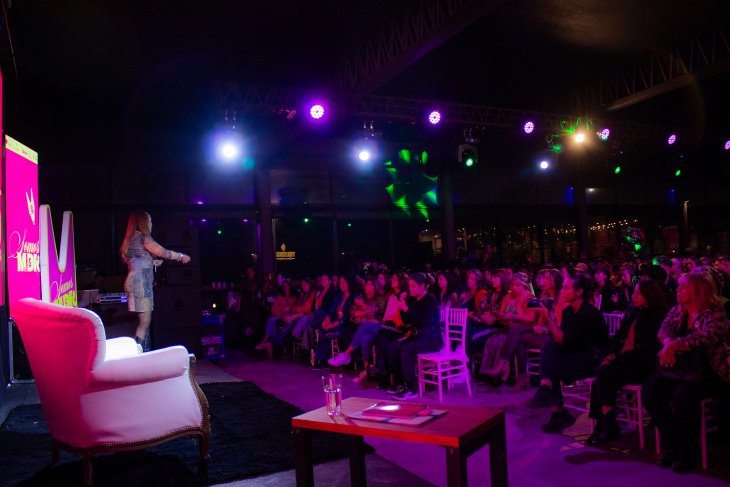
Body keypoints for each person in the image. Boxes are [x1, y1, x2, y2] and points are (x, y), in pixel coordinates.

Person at [641, 272, 730, 472]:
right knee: (650, 390)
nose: (678, 290)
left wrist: (676, 345)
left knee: (683, 397)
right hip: (681, 368)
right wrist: (669, 345)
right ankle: (672, 444)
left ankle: (687, 452)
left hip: (710, 372)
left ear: (698, 290)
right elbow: (664, 330)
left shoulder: (715, 313)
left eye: (683, 287)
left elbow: (707, 337)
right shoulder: (678, 309)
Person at [586, 279, 669, 446]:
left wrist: (618, 359)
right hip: (624, 361)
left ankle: (605, 424)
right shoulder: (634, 312)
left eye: (638, 293)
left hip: (642, 364)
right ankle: (607, 423)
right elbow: (619, 337)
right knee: (599, 379)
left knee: (602, 375)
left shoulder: (657, 316)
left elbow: (648, 349)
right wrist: (611, 354)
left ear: (649, 295)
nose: (633, 296)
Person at [527, 273, 608, 434]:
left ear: (579, 292)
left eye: (566, 288)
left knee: (551, 363)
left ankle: (557, 410)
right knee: (549, 347)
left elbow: (565, 341)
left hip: (592, 360)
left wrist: (548, 318)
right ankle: (549, 395)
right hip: (575, 353)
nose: (562, 291)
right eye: (562, 288)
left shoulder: (588, 313)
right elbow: (561, 341)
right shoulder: (569, 312)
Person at [120, 210, 190, 352]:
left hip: (134, 281)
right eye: (150, 221)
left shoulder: (132, 238)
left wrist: (152, 262)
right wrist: (181, 256)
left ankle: (143, 353)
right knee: (144, 323)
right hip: (141, 284)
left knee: (144, 323)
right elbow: (163, 252)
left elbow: (137, 261)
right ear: (143, 222)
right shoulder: (143, 237)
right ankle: (141, 356)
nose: (151, 224)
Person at [384, 273, 443, 400]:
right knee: (393, 347)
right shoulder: (413, 300)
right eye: (410, 286)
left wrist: (406, 309)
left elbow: (423, 321)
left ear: (422, 286)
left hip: (431, 339)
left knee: (407, 350)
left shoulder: (430, 300)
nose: (410, 289)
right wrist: (402, 306)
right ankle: (400, 382)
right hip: (418, 337)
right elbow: (407, 320)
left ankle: (411, 388)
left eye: (413, 286)